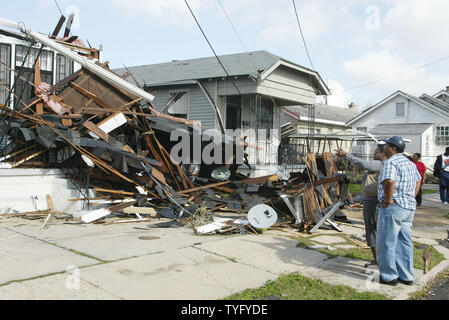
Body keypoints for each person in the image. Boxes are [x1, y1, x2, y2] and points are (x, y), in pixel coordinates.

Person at [377, 136, 422, 286]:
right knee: (404, 242)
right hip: (408, 207)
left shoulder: (391, 162)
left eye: (387, 145)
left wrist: (388, 200)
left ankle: (389, 276)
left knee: (387, 242)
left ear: (393, 148)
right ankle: (407, 275)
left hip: (393, 207)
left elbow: (389, 181)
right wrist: (411, 196)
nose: (384, 147)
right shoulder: (410, 163)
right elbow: (418, 180)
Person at [335, 145, 386, 267]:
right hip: (376, 201)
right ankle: (381, 259)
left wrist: (346, 155)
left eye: (376, 152)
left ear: (382, 154)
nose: (373, 154)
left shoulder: (380, 164)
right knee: (377, 231)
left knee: (372, 230)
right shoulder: (387, 164)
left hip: (373, 202)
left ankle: (378, 260)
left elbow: (362, 163)